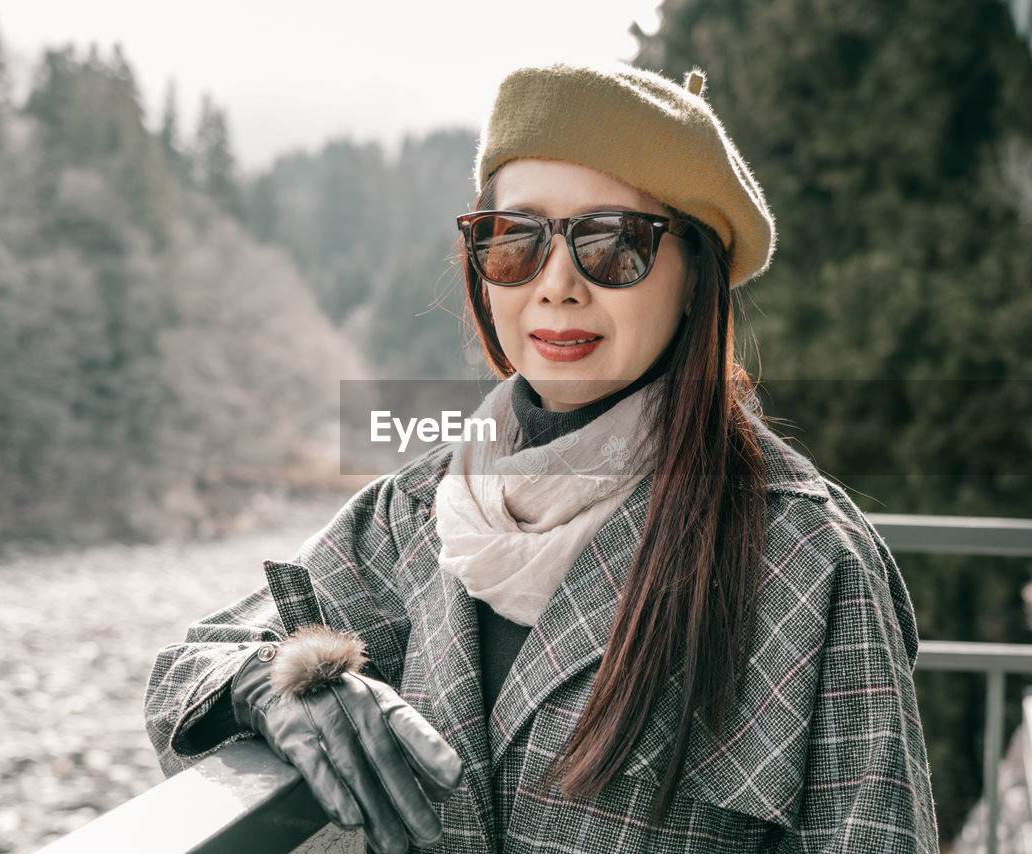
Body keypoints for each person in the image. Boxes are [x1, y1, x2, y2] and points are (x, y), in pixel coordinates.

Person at [145, 61, 941, 854]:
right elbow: (188, 670)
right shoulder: (419, 510)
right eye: (515, 240)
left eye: (614, 243)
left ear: (696, 276)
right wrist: (283, 689)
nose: (556, 285)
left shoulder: (805, 560)